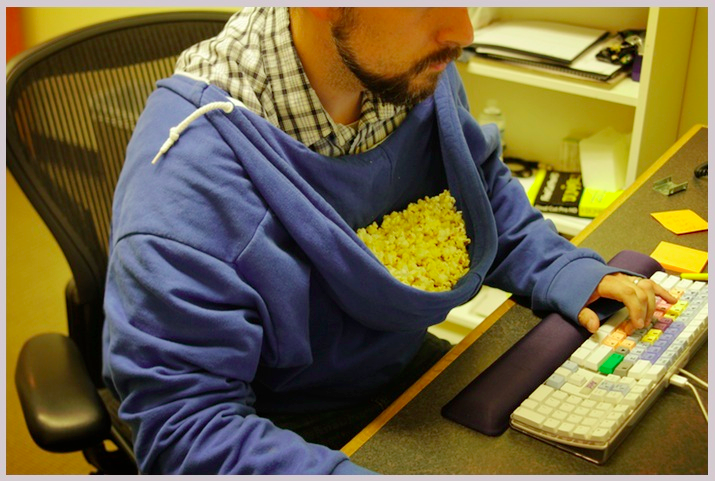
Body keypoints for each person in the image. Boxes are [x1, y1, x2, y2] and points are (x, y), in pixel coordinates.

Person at [102, 7, 676, 475]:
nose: (462, 31)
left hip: (407, 382)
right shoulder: (186, 188)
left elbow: (476, 193)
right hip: (282, 436)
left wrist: (562, 269)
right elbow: (186, 429)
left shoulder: (404, 69)